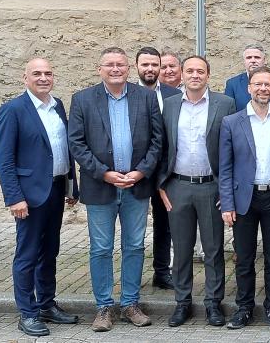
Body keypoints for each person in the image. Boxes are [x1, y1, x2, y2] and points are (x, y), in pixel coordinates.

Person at [67, 47, 164, 332]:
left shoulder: (145, 98)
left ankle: (131, 303)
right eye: (109, 65)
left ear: (128, 68)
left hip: (136, 185)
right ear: (100, 69)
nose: (115, 69)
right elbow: (77, 144)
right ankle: (103, 307)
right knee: (101, 248)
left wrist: (141, 171)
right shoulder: (83, 99)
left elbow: (157, 141)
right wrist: (105, 173)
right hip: (101, 187)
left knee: (134, 246)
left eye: (120, 64)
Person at [0, 58, 80, 337]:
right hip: (29, 196)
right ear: (25, 78)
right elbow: (3, 159)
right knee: (28, 254)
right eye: (37, 74)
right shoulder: (13, 110)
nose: (43, 78)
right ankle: (27, 313)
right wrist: (14, 198)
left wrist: (71, 186)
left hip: (55, 190)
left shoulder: (57, 106)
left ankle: (46, 304)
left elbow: (65, 150)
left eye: (48, 73)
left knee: (50, 251)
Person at [157, 55, 236, 327]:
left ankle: (214, 303)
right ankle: (183, 302)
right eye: (189, 70)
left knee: (214, 249)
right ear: (181, 74)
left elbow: (231, 149)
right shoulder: (169, 106)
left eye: (200, 71)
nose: (194, 75)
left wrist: (227, 191)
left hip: (211, 187)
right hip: (178, 186)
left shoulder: (224, 104)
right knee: (181, 249)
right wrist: (161, 185)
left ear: (208, 75)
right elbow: (160, 146)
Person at [218, 66, 270, 330]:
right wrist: (226, 203)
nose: (264, 89)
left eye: (269, 85)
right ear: (249, 88)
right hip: (245, 199)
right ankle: (244, 307)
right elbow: (225, 166)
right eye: (258, 84)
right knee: (245, 256)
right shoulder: (232, 122)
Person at [135, 46, 182, 291]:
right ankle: (131, 274)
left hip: (166, 170)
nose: (151, 69)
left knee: (165, 222)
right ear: (137, 67)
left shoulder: (174, 95)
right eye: (146, 65)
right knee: (135, 223)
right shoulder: (129, 93)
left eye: (156, 65)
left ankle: (162, 272)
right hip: (137, 171)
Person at [224, 44, 270, 109]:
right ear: (244, 61)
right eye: (249, 58)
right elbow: (229, 110)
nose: (253, 61)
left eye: (257, 57)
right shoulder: (232, 84)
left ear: (264, 60)